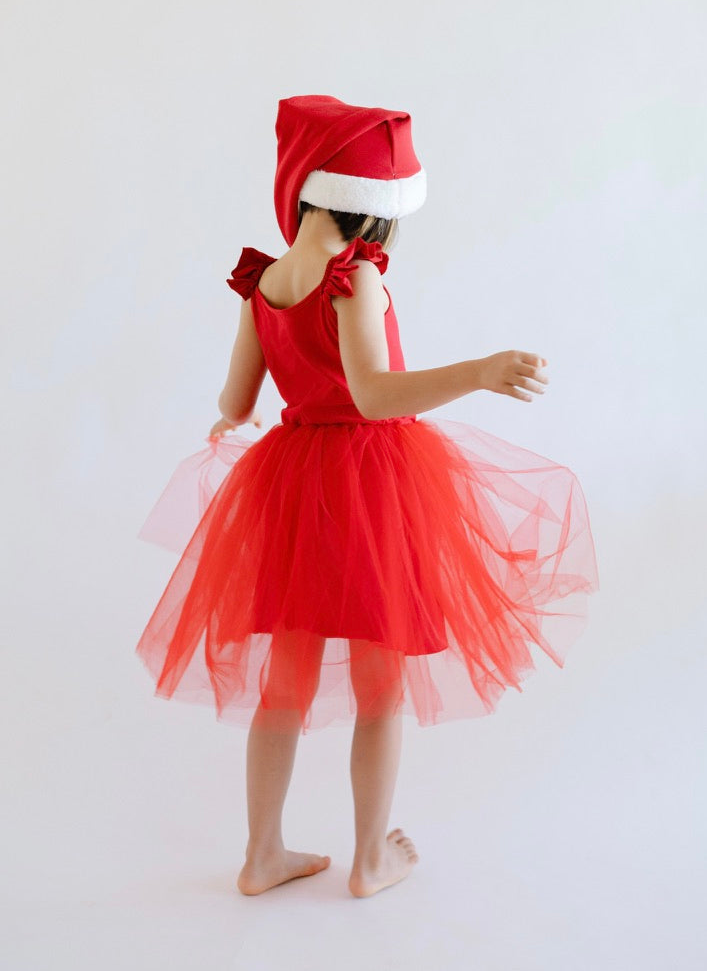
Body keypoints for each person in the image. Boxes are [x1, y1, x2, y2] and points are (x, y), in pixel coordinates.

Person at [135, 94, 599, 899]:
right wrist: (479, 372)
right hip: (369, 486)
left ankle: (262, 855)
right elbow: (375, 394)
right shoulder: (357, 280)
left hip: (291, 484)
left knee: (284, 685)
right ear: (376, 207)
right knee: (381, 688)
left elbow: (238, 400)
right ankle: (370, 859)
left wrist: (230, 420)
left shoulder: (264, 281)